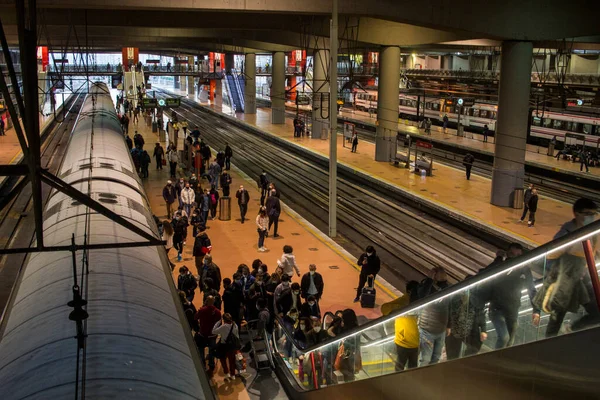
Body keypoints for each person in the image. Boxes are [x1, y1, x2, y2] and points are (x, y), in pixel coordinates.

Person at [535, 198, 599, 337]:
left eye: (594, 213)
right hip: (565, 277)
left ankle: (572, 328)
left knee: (597, 311)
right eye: (587, 213)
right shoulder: (567, 233)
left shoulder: (592, 230)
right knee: (558, 312)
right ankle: (548, 346)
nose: (591, 217)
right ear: (576, 214)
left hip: (583, 276)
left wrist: (585, 267)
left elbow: (592, 251)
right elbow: (550, 255)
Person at [480, 243, 539, 349]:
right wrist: (498, 258)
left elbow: (531, 289)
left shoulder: (524, 270)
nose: (515, 258)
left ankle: (500, 361)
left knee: (510, 343)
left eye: (518, 255)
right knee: (504, 337)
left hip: (513, 311)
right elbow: (484, 273)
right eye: (512, 254)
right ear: (507, 254)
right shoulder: (501, 266)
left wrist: (536, 310)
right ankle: (495, 361)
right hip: (496, 309)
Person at [381, 281, 420, 371]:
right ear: (410, 292)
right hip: (403, 342)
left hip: (416, 342)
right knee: (400, 367)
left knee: (413, 368)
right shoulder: (404, 300)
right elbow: (384, 308)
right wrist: (402, 310)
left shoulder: (420, 300)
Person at [417, 267, 451, 366]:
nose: (443, 281)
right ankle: (421, 376)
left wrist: (448, 325)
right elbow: (422, 296)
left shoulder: (446, 288)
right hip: (428, 329)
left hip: (441, 329)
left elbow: (448, 307)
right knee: (425, 358)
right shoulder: (426, 286)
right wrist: (429, 280)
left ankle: (431, 376)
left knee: (436, 356)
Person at [194, 295, 222, 377]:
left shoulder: (202, 310)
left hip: (203, 334)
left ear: (207, 301)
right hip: (212, 336)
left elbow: (195, 317)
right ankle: (211, 364)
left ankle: (202, 363)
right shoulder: (217, 312)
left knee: (201, 349)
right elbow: (219, 324)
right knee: (212, 351)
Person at [212, 313, 240, 381]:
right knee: (232, 361)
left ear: (223, 319)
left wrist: (218, 322)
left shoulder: (223, 327)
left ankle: (226, 373)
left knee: (223, 359)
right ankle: (233, 374)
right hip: (232, 346)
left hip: (223, 345)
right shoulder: (235, 325)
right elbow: (237, 336)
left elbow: (213, 331)